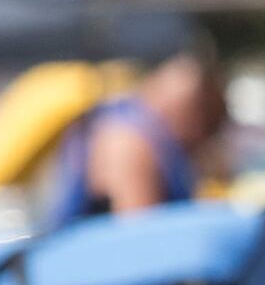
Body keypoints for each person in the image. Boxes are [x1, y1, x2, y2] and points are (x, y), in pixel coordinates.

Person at [44, 38, 227, 225]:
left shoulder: (134, 130)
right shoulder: (128, 142)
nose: (200, 137)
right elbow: (138, 236)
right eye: (205, 123)